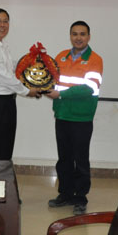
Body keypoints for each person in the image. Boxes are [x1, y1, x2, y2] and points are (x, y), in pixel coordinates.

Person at [45, 20, 103, 215]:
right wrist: (41, 86)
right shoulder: (60, 57)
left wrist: (60, 94)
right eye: (75, 34)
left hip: (82, 118)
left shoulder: (95, 59)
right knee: (64, 159)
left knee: (81, 160)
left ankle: (80, 198)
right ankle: (65, 194)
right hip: (62, 115)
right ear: (70, 36)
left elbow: (89, 88)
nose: (78, 38)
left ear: (89, 37)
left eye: (82, 34)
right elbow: (50, 80)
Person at [0, 8, 40, 161]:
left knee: (5, 148)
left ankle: (2, 176)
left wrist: (30, 62)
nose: (3, 25)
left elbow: (11, 68)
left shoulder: (2, 46)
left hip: (7, 102)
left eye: (6, 21)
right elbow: (4, 76)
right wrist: (26, 91)